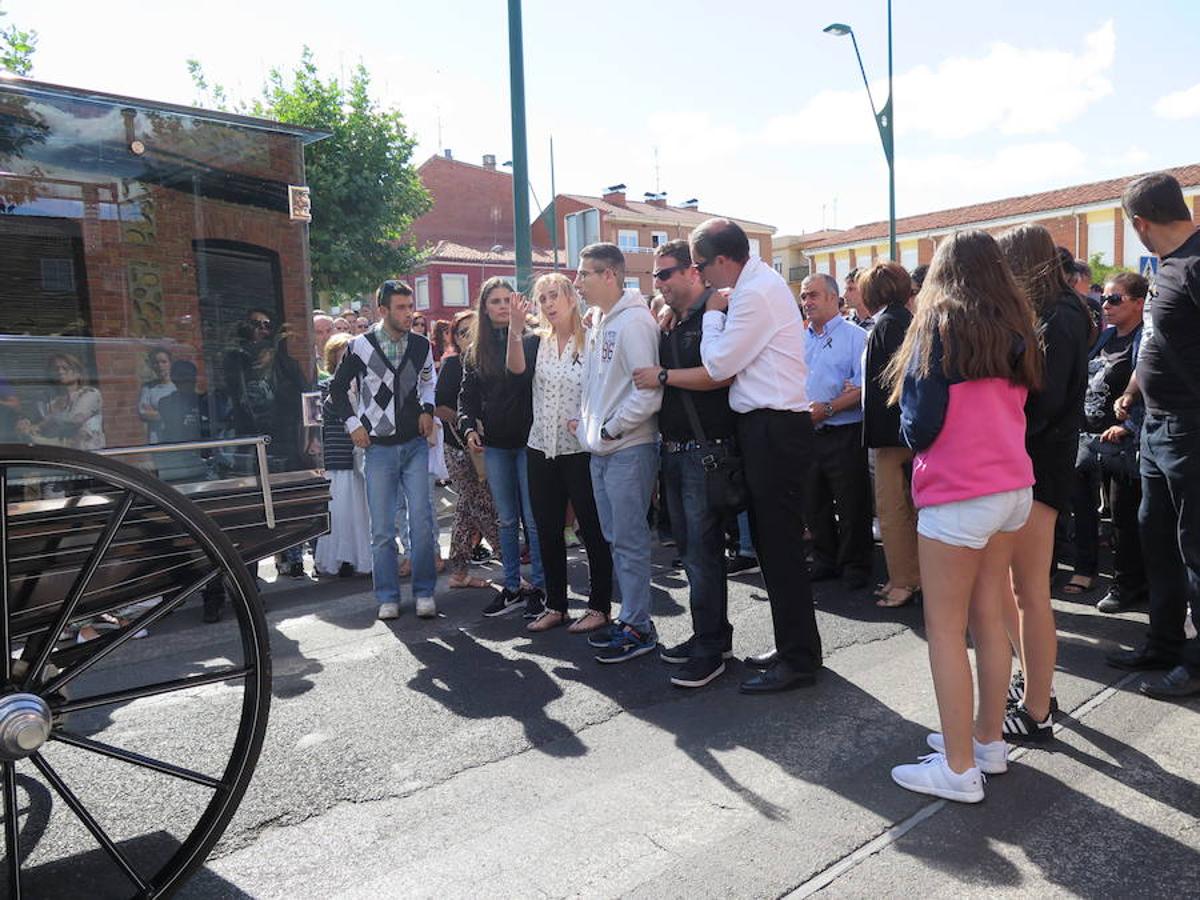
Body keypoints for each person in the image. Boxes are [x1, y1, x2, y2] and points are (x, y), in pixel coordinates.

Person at [886, 229, 1043, 803]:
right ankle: (986, 744)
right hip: (1011, 487)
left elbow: (919, 425)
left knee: (946, 631)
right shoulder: (1017, 328)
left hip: (959, 492)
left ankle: (957, 769)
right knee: (987, 617)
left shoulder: (937, 327)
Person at [692, 218, 821, 694]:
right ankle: (796, 647)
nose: (701, 275)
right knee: (773, 547)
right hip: (768, 426)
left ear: (724, 260)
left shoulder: (752, 293)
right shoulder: (756, 286)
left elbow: (720, 364)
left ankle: (799, 659)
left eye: (701, 265)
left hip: (774, 427)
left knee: (780, 547)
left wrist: (710, 315)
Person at [996, 224, 1091, 744]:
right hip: (1040, 459)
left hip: (1040, 462)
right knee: (1023, 587)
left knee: (1030, 589)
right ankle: (1035, 687)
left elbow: (1045, 401)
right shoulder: (1063, 310)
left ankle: (1037, 707)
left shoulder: (1058, 315)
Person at [1107, 173, 1200, 699]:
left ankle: (1195, 660)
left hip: (1192, 429)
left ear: (1140, 224)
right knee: (1156, 538)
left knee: (1196, 548)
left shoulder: (1196, 263)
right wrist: (1136, 388)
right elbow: (1159, 342)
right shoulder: (1166, 267)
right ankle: (1163, 643)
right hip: (1157, 426)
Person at [632, 240, 735, 687]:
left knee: (703, 556)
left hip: (703, 451)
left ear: (693, 272)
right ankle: (709, 638)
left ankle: (710, 648)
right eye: (656, 276)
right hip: (675, 450)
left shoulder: (715, 314)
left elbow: (719, 375)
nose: (659, 283)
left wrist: (664, 375)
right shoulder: (673, 320)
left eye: (665, 273)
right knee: (692, 556)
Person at [506, 274, 615, 634]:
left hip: (580, 450)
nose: (549, 304)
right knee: (547, 530)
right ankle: (556, 605)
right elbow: (516, 372)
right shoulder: (536, 342)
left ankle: (599, 607)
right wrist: (515, 330)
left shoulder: (592, 339)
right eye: (542, 299)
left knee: (593, 530)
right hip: (541, 447)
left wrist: (587, 420)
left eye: (554, 296)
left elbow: (606, 387)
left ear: (571, 297)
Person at [327, 280, 439, 621]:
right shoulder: (360, 346)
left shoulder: (421, 345)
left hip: (415, 445)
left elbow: (428, 381)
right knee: (382, 529)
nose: (409, 313)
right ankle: (387, 595)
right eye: (402, 307)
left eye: (411, 306)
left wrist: (428, 409)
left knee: (421, 522)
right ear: (383, 310)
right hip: (377, 448)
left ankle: (424, 593)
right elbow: (335, 388)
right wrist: (353, 425)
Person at [573, 242, 663, 663]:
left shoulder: (634, 324)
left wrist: (610, 428)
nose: (578, 283)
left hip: (627, 448)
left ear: (610, 275)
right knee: (616, 538)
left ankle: (638, 626)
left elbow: (649, 392)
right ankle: (633, 618)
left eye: (585, 274)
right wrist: (588, 424)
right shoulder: (598, 321)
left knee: (628, 540)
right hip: (603, 450)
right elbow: (602, 384)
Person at [458, 277, 547, 618]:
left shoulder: (532, 341)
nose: (500, 306)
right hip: (495, 445)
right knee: (506, 520)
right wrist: (468, 428)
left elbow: (522, 379)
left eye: (506, 300)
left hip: (530, 442)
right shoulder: (474, 350)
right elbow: (466, 400)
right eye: (494, 301)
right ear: (483, 307)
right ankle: (512, 587)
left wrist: (516, 331)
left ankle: (539, 587)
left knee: (534, 520)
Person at [1069, 273, 1147, 613]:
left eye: (1115, 299)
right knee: (1084, 506)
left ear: (1139, 303)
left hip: (1124, 445)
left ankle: (1128, 585)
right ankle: (1088, 570)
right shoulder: (1106, 337)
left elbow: (1150, 385)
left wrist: (1128, 425)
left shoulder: (1145, 340)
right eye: (1106, 298)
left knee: (1124, 518)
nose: (1106, 305)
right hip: (1088, 436)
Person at [799, 273, 873, 590]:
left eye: (813, 295)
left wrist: (829, 408)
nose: (807, 302)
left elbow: (862, 388)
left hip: (844, 430)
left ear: (833, 298)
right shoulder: (799, 338)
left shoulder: (856, 337)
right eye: (803, 296)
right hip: (807, 432)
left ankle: (855, 564)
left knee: (851, 502)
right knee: (813, 501)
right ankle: (824, 558)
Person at [860, 262, 922, 608]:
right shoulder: (900, 320)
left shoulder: (889, 323)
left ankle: (904, 581)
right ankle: (908, 577)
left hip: (893, 437)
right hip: (900, 434)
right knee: (902, 509)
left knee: (893, 509)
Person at [435, 310, 502, 590]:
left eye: (472, 329)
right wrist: (466, 422)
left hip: (485, 445)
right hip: (459, 448)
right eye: (461, 332)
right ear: (454, 338)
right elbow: (438, 406)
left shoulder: (486, 362)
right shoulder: (453, 365)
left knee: (466, 506)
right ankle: (508, 559)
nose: (468, 336)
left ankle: (459, 572)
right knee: (482, 504)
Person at [315, 332, 372, 578]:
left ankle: (363, 558)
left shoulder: (367, 385)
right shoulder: (326, 389)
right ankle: (342, 559)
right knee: (339, 513)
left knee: (362, 513)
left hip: (363, 460)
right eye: (340, 359)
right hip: (338, 459)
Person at [18, 352, 104, 450]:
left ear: (78, 373)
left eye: (65, 368)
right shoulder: (46, 398)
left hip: (86, 456)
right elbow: (30, 414)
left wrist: (39, 426)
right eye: (55, 369)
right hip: (55, 455)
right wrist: (25, 422)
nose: (60, 371)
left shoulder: (90, 394)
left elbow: (74, 419)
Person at [138, 346, 176, 444]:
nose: (160, 366)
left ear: (170, 363)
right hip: (157, 441)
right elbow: (143, 413)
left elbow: (182, 414)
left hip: (177, 439)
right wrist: (170, 414)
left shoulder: (178, 387)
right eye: (156, 363)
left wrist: (156, 412)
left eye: (164, 362)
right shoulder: (148, 388)